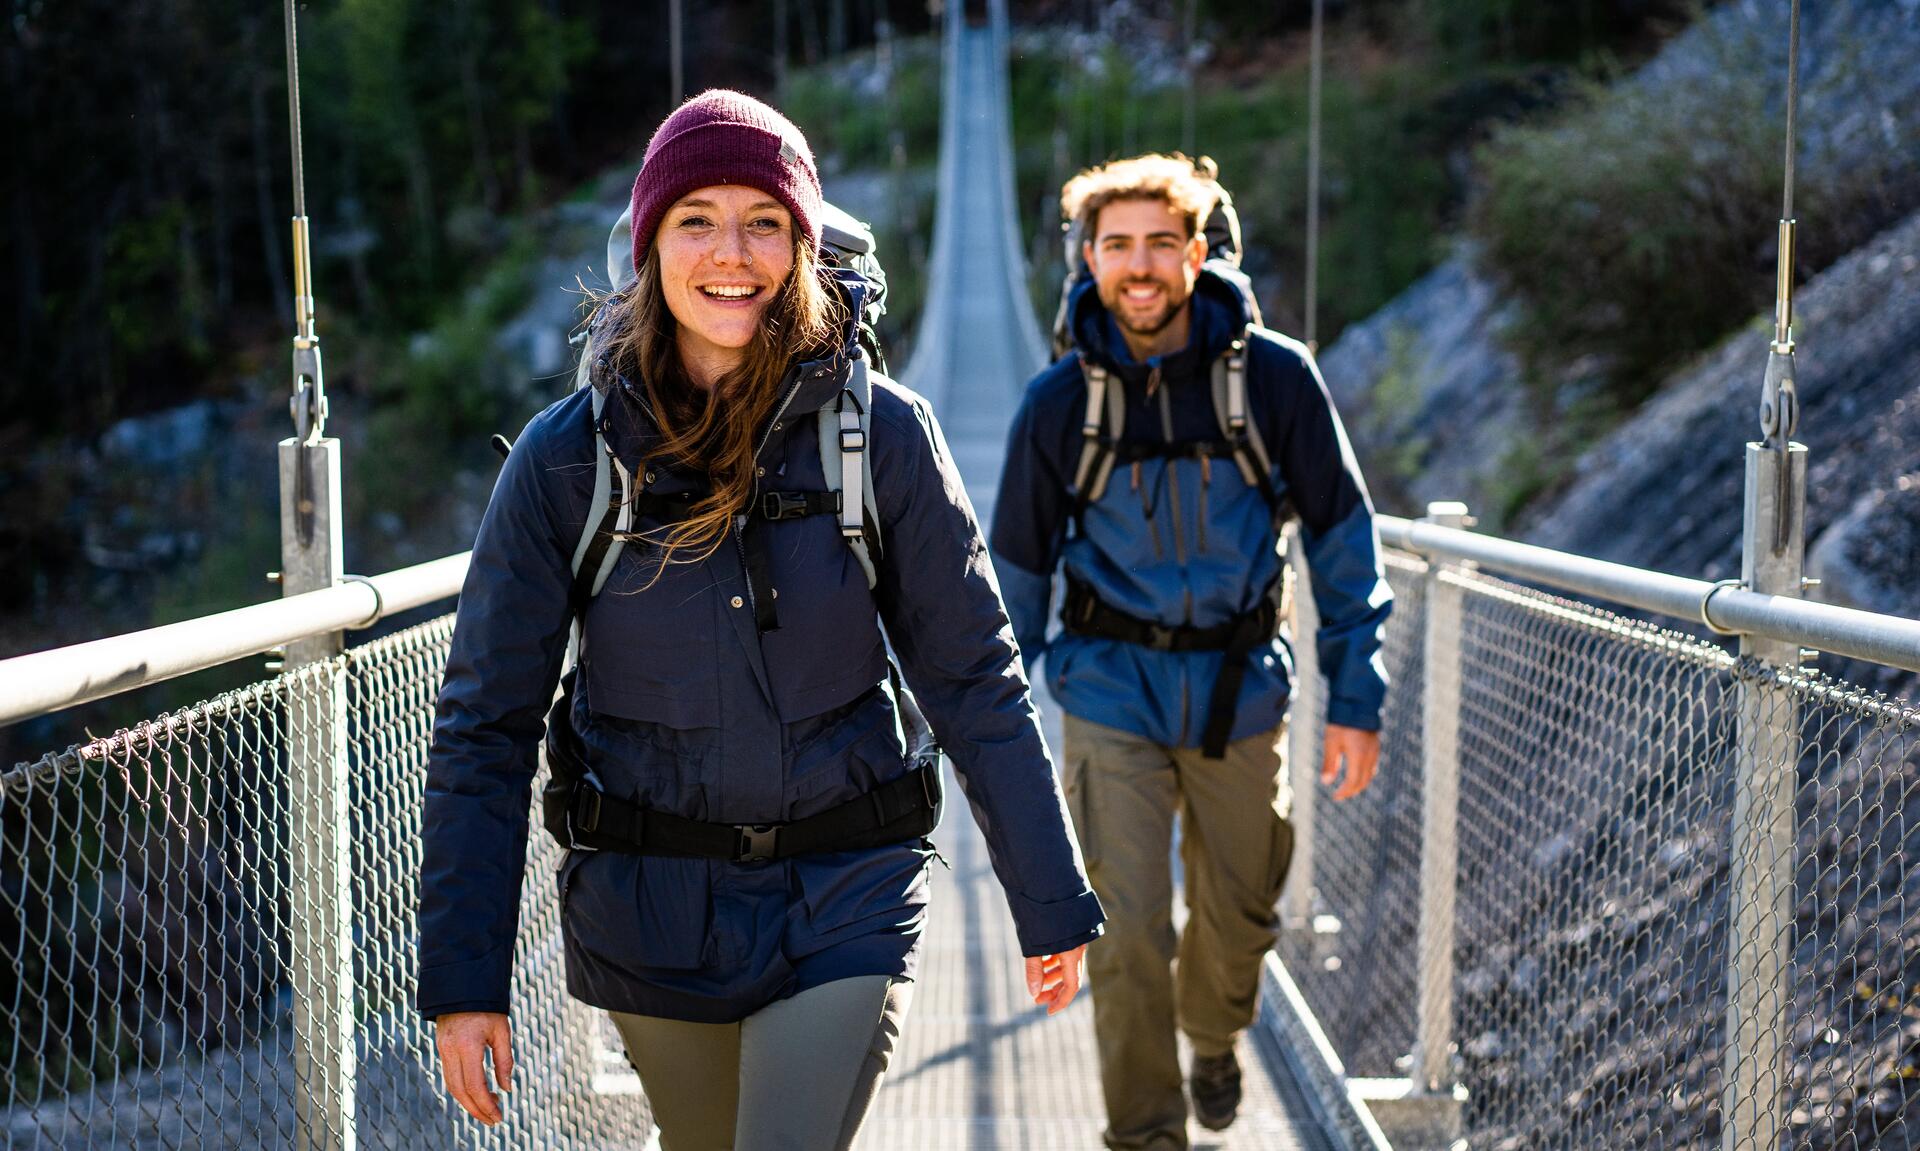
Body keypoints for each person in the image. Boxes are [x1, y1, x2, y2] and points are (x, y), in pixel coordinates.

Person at [417, 90, 1104, 1151]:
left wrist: (1050, 894)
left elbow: (973, 677)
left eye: (764, 220)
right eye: (696, 219)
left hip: (848, 892)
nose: (731, 252)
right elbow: (485, 723)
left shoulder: (883, 437)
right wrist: (465, 981)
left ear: (802, 241)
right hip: (654, 907)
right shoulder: (566, 458)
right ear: (649, 244)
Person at [990, 154, 1392, 1150]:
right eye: (1118, 245)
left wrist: (1358, 689)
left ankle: (1213, 1033)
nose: (1139, 266)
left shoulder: (1276, 379)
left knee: (1243, 908)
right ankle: (1145, 1133)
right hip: (1108, 692)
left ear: (1196, 254)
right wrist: (988, 734)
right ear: (1089, 259)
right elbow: (1015, 571)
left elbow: (1343, 533)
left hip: (1241, 689)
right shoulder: (1056, 403)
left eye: (1160, 244)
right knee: (1123, 933)